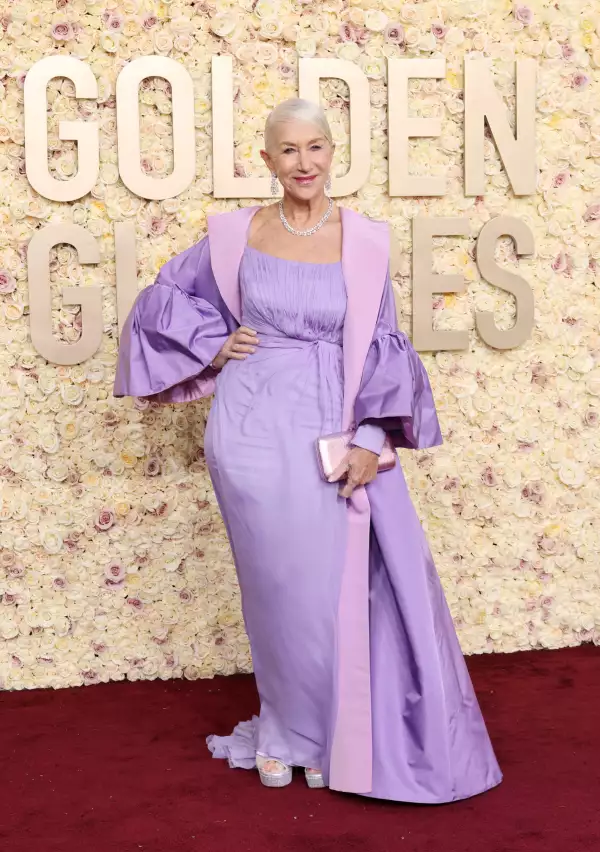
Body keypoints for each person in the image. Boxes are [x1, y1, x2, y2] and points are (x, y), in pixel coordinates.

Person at [113, 98, 503, 802]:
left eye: (316, 147)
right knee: (274, 590)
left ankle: (328, 734)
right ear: (266, 160)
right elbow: (161, 299)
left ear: (332, 153)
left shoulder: (365, 241)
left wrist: (371, 438)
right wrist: (212, 343)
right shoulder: (234, 235)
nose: (304, 163)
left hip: (331, 425)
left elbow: (385, 343)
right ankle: (282, 730)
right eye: (288, 151)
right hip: (249, 431)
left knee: (329, 592)